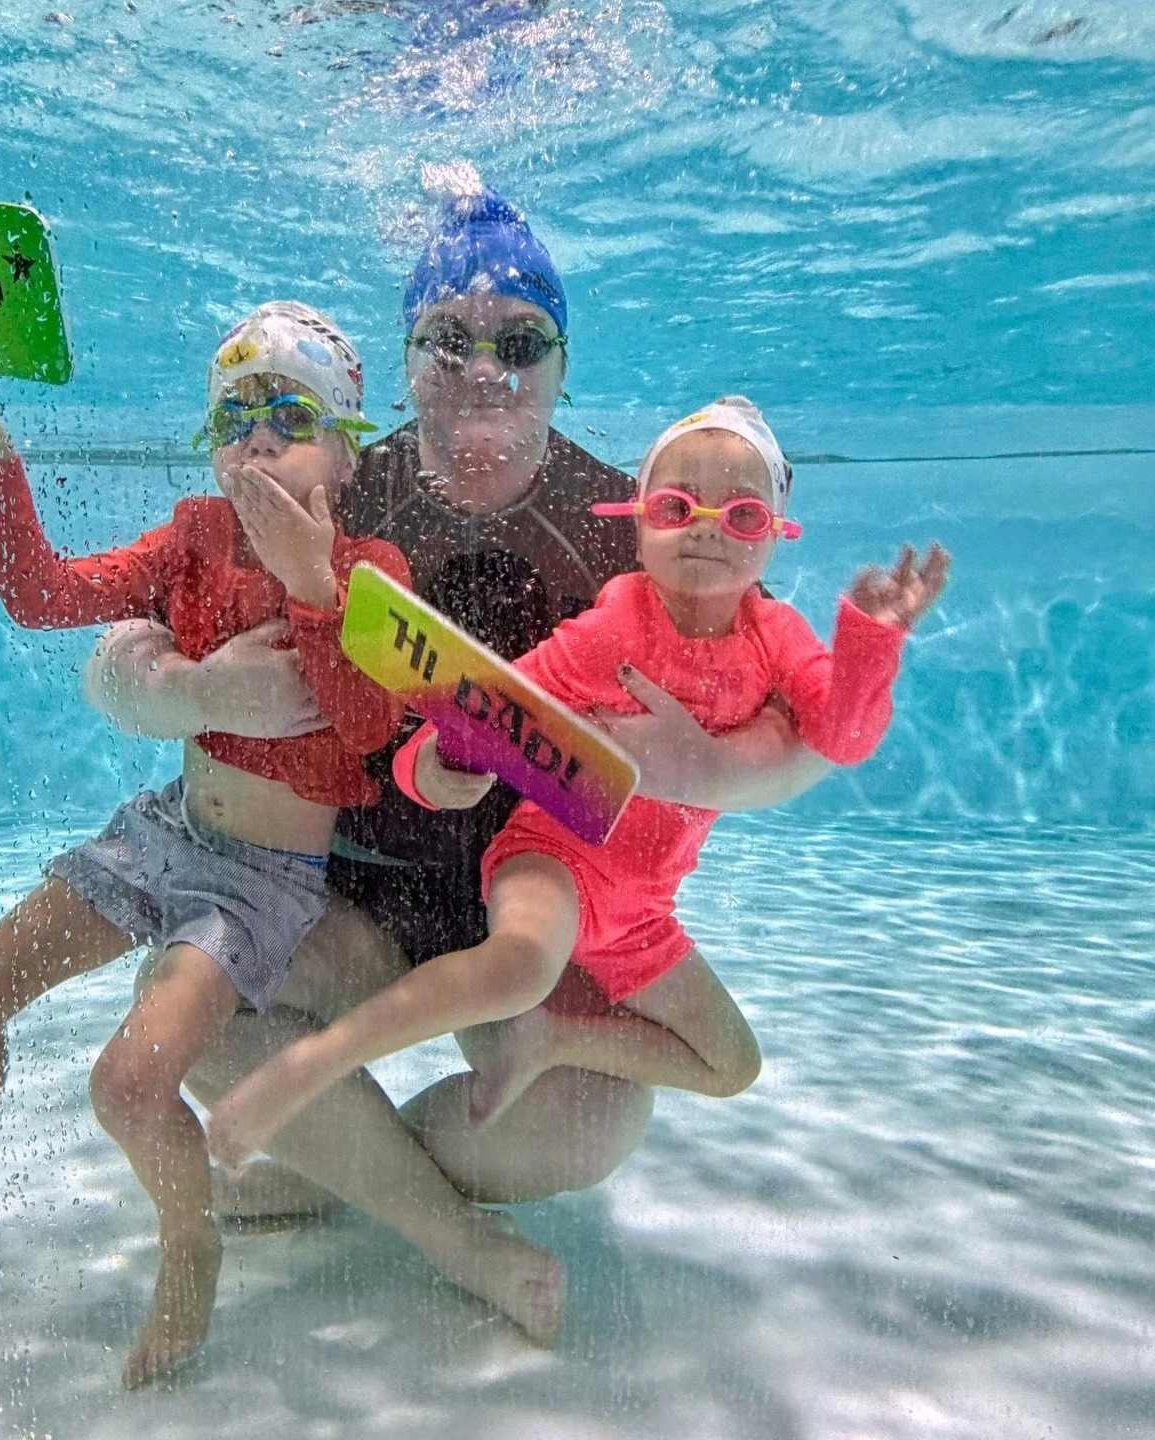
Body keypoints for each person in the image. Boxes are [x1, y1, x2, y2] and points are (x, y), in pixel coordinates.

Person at [86, 188, 832, 1242]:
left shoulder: (634, 528)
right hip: (338, 891)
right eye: (449, 340)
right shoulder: (324, 478)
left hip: (524, 909)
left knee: (590, 1126)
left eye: (520, 342)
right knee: (194, 1004)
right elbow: (115, 654)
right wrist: (185, 693)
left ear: (563, 367)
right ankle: (422, 1211)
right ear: (405, 361)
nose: (485, 369)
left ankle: (326, 1165)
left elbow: (813, 733)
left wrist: (704, 769)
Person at [0, 303, 556, 1388]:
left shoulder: (371, 570)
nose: (253, 435)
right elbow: (41, 593)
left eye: (287, 415)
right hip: (164, 834)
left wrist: (309, 582)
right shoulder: (192, 534)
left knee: (130, 1087)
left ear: (345, 448)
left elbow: (367, 734)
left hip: (263, 885)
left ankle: (191, 1245)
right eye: (232, 414)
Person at [201, 397, 950, 1166]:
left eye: (743, 516)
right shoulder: (613, 630)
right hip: (554, 858)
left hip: (642, 909)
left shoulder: (776, 638)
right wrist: (427, 766)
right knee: (522, 966)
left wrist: (871, 641)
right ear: (637, 520)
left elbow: (843, 736)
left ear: (778, 533)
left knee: (732, 1064)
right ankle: (308, 1066)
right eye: (674, 505)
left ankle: (555, 1040)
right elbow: (483, 709)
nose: (705, 527)